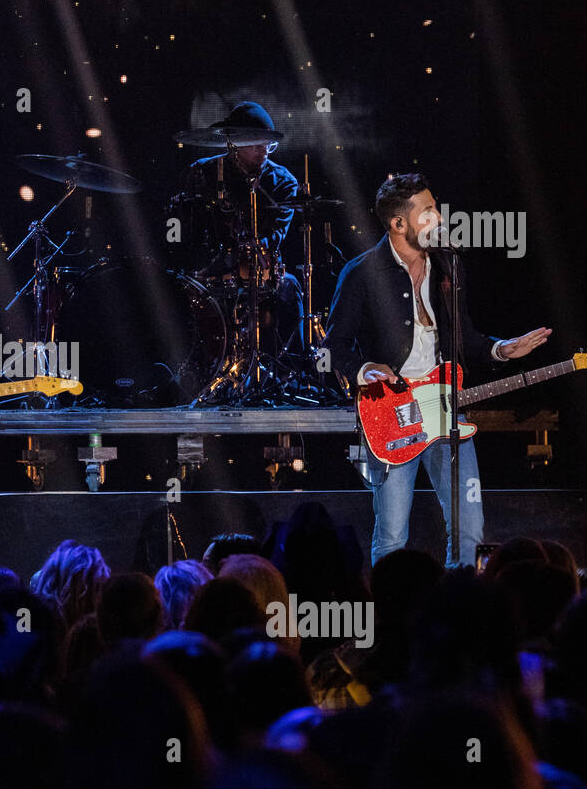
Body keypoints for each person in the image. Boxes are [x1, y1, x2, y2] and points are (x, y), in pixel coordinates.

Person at [322, 173, 551, 568]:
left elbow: (465, 338)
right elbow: (331, 350)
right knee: (393, 532)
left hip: (446, 411)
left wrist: (501, 349)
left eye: (436, 208)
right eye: (427, 213)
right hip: (392, 415)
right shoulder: (362, 273)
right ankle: (390, 620)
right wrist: (366, 369)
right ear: (398, 225)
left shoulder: (448, 267)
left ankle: (457, 613)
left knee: (470, 527)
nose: (439, 219)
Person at [181, 101, 303, 352]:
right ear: (234, 143)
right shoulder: (203, 172)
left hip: (257, 271)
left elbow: (276, 235)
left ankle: (290, 372)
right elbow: (187, 226)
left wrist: (251, 249)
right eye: (257, 144)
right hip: (209, 268)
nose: (264, 152)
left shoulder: (283, 181)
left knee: (290, 288)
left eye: (268, 145)